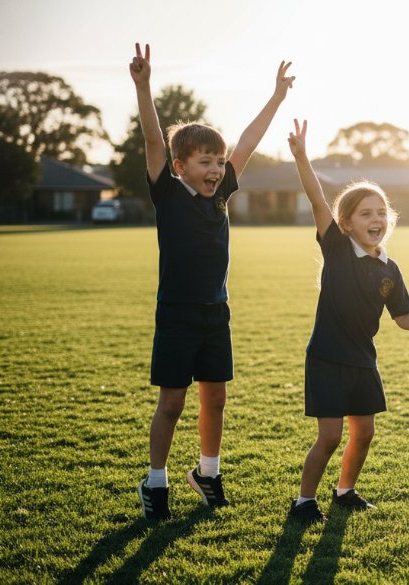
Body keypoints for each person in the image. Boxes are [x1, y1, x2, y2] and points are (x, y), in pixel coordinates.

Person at [131, 43, 294, 520]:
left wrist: (277, 98)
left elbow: (247, 142)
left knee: (215, 397)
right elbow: (154, 141)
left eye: (218, 162)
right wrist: (143, 86)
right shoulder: (167, 192)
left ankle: (207, 473)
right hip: (177, 314)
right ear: (182, 167)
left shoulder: (220, 191)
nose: (216, 169)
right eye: (205, 162)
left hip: (215, 313)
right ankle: (155, 482)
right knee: (172, 403)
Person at [285, 119, 409, 522]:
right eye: (366, 213)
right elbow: (317, 199)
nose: (376, 218)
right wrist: (301, 157)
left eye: (381, 212)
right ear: (347, 222)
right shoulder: (336, 248)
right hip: (327, 357)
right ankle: (304, 501)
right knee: (330, 436)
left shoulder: (390, 268)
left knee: (364, 433)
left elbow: (400, 315)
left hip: (362, 359)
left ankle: (345, 490)